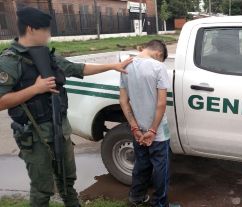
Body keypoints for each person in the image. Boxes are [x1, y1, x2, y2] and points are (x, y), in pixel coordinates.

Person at [0, 7, 132, 207]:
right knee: (42, 189)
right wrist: (35, 89)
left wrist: (113, 66)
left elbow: (78, 69)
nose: (49, 34)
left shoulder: (48, 56)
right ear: (31, 29)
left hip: (60, 130)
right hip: (34, 136)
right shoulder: (10, 61)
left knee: (67, 182)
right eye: (46, 30)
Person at [120, 40, 178, 207]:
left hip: (138, 129)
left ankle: (136, 197)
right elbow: (161, 104)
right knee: (161, 168)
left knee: (141, 164)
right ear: (159, 54)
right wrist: (153, 130)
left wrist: (135, 128)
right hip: (157, 132)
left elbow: (124, 101)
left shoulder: (126, 66)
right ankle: (160, 203)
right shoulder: (158, 67)